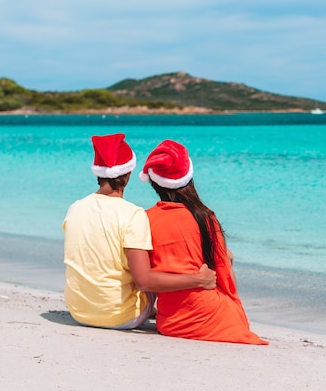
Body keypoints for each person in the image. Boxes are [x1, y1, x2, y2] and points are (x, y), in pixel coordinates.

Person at [63, 133, 216, 330]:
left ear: (98, 174)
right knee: (152, 262)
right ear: (127, 174)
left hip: (79, 311)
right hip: (119, 317)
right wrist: (199, 279)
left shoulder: (75, 208)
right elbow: (144, 281)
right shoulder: (133, 214)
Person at [139, 139, 268, 345]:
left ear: (153, 182)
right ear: (188, 177)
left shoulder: (146, 218)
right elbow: (223, 276)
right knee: (226, 257)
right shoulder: (205, 217)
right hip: (208, 315)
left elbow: (145, 274)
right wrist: (236, 311)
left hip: (170, 321)